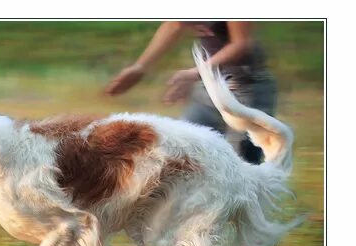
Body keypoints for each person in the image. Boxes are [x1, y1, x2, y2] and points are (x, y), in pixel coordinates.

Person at [105, 21, 277, 164]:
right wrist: (140, 66)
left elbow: (241, 43)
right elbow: (175, 24)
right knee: (183, 156)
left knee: (239, 168)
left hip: (248, 90)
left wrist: (197, 72)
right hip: (210, 88)